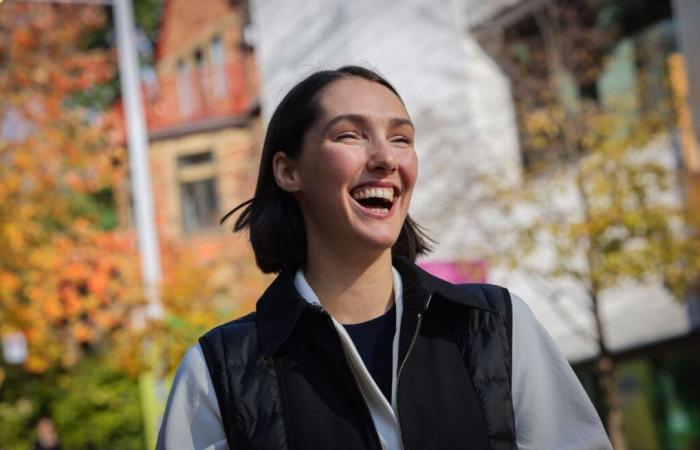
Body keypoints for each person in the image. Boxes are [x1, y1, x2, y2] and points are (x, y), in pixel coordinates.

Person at [157, 66, 612, 450]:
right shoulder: (217, 371)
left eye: (401, 138)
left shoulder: (496, 327)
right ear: (288, 170)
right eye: (350, 135)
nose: (385, 158)